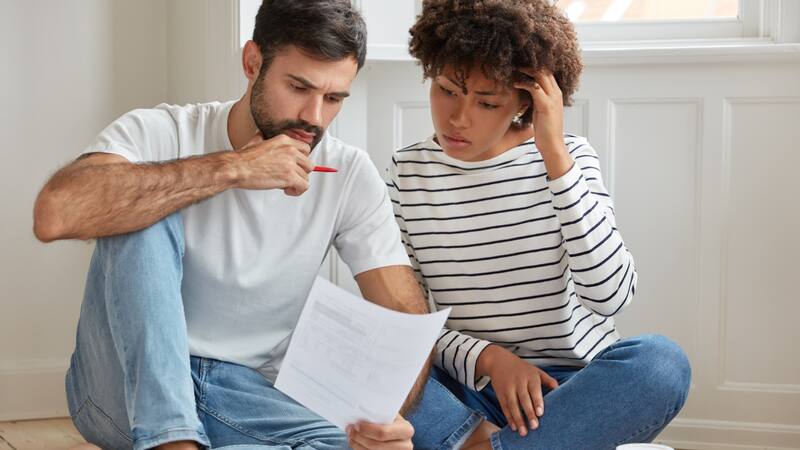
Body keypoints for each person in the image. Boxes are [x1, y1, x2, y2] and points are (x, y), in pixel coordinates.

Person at [33, 1, 483, 449]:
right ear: (253, 62)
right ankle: (173, 440)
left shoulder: (348, 173)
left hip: (243, 392)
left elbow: (404, 314)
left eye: (332, 99)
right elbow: (55, 214)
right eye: (298, 87)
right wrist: (232, 169)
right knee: (140, 202)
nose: (313, 117)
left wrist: (388, 420)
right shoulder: (161, 131)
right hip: (119, 386)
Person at [388, 1, 692, 449]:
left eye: (487, 102)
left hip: (569, 391)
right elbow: (406, 320)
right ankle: (486, 440)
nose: (458, 117)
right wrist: (489, 359)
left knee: (663, 364)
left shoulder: (569, 157)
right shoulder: (407, 171)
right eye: (447, 89)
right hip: (467, 387)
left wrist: (554, 156)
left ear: (525, 101)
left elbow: (610, 298)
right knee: (372, 360)